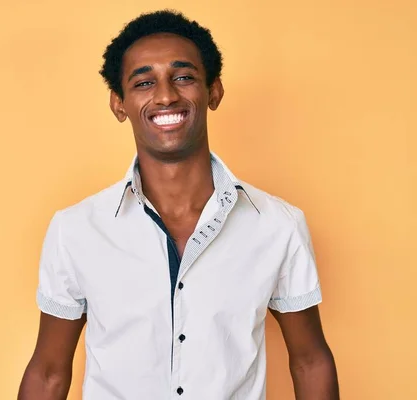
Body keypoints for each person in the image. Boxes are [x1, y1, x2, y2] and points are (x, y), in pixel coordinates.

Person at [18, 9, 339, 400]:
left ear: (214, 91)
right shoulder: (76, 229)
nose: (166, 94)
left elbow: (309, 361)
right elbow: (49, 372)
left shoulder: (277, 224)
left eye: (183, 77)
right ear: (119, 104)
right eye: (144, 82)